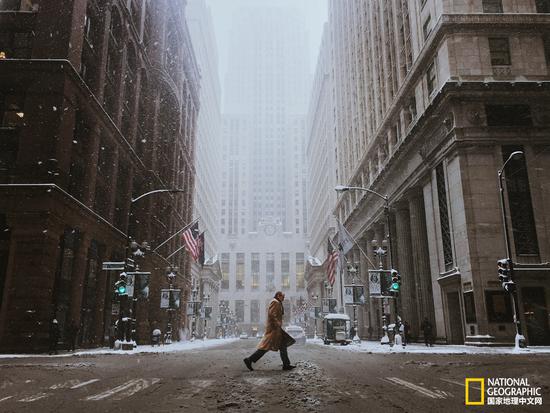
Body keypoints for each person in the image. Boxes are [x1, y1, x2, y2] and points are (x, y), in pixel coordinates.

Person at [243, 291, 296, 371]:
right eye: (283, 296)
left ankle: (286, 364)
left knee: (283, 345)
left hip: (276, 328)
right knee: (265, 347)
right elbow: (272, 314)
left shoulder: (277, 302)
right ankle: (249, 360)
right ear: (278, 296)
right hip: (274, 329)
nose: (284, 298)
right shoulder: (275, 302)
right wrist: (277, 323)